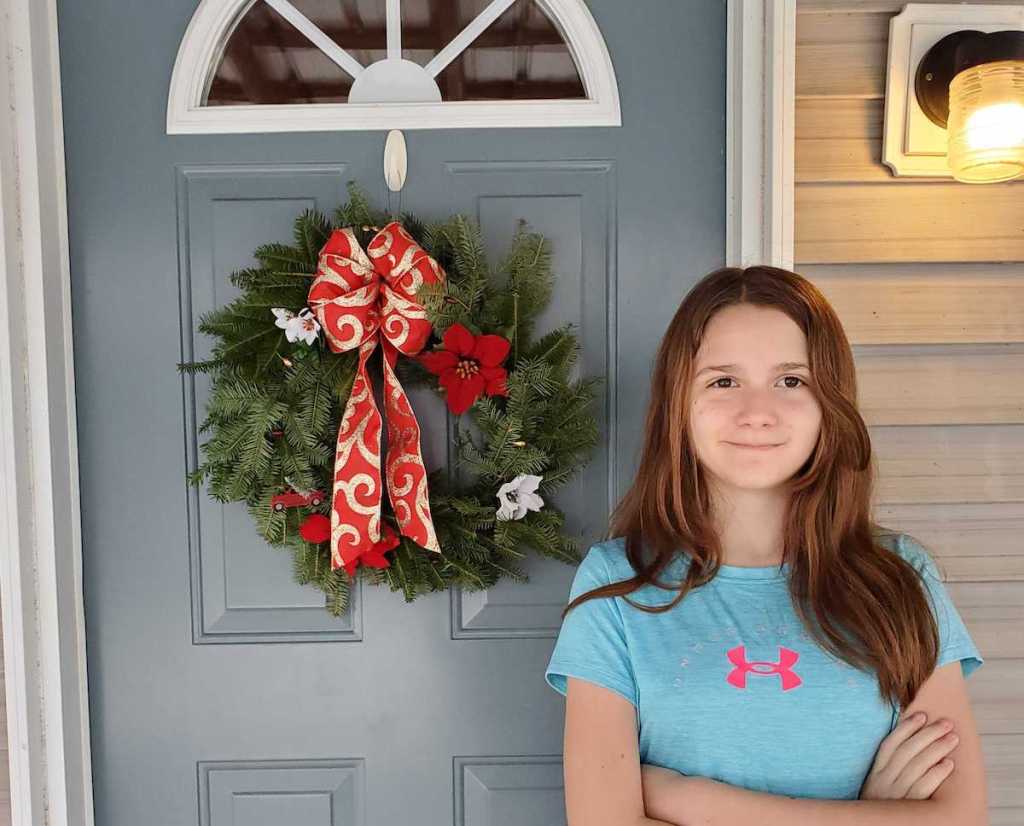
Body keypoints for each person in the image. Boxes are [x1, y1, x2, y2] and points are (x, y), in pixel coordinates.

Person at [543, 266, 988, 825]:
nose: (757, 412)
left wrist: (688, 800)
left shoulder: (902, 578)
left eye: (791, 381)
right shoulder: (616, 587)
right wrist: (872, 815)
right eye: (723, 381)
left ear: (830, 402)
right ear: (680, 403)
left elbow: (960, 818)